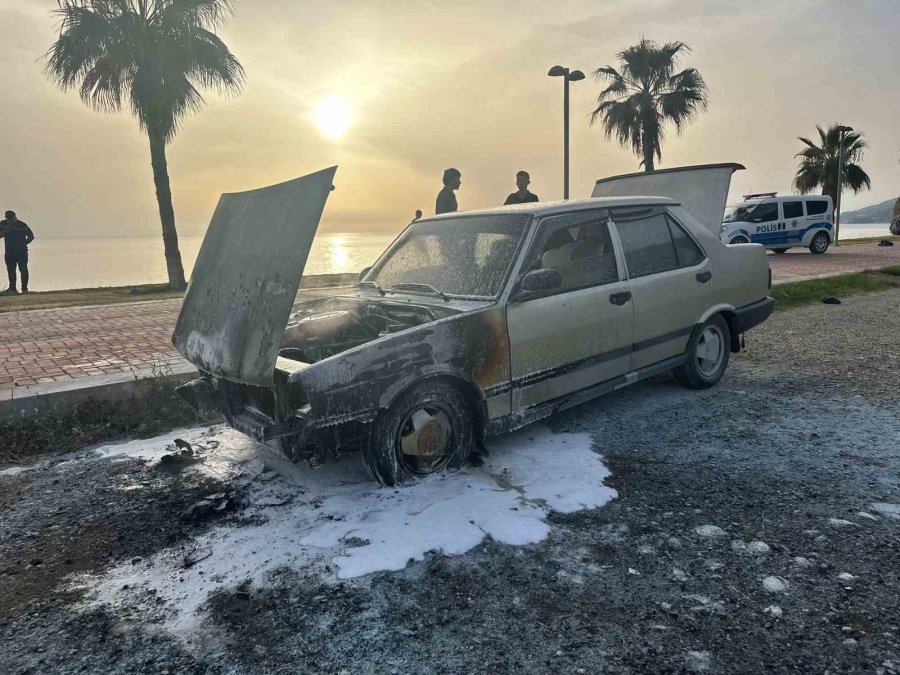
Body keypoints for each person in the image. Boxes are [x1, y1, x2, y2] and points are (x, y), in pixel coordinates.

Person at [0, 210, 35, 294]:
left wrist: (24, 243)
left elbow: (31, 236)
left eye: (11, 219)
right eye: (8, 219)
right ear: (6, 218)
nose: (10, 220)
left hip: (21, 252)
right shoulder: (3, 224)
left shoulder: (22, 225)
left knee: (23, 269)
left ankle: (24, 289)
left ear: (15, 217)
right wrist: (7, 229)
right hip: (9, 252)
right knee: (11, 270)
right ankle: (12, 288)